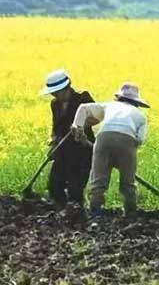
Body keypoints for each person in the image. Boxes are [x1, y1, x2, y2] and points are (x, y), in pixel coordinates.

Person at [71, 83, 149, 219]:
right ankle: (130, 213)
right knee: (128, 182)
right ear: (136, 102)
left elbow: (83, 108)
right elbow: (140, 139)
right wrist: (126, 156)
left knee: (98, 180)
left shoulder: (110, 106)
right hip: (127, 139)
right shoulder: (140, 116)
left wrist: (78, 126)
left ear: (119, 98)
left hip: (103, 138)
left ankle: (94, 213)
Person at [40, 69, 95, 210]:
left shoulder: (83, 99)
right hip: (62, 150)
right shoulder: (55, 104)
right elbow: (56, 127)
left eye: (56, 92)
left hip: (82, 148)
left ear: (66, 88)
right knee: (54, 185)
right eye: (52, 93)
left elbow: (95, 118)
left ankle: (76, 215)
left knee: (75, 188)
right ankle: (60, 215)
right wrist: (53, 142)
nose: (54, 95)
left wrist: (79, 125)